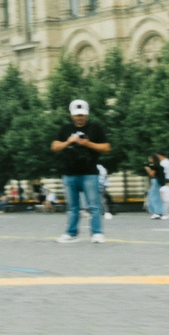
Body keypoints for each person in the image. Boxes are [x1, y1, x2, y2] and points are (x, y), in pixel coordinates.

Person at [50, 98, 112, 244]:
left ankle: (97, 233)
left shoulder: (95, 128)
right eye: (77, 115)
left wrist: (87, 143)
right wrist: (68, 142)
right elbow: (54, 147)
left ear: (87, 114)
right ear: (72, 115)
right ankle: (71, 233)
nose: (80, 118)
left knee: (94, 205)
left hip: (89, 172)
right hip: (69, 173)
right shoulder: (65, 129)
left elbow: (106, 148)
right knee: (72, 206)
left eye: (82, 114)